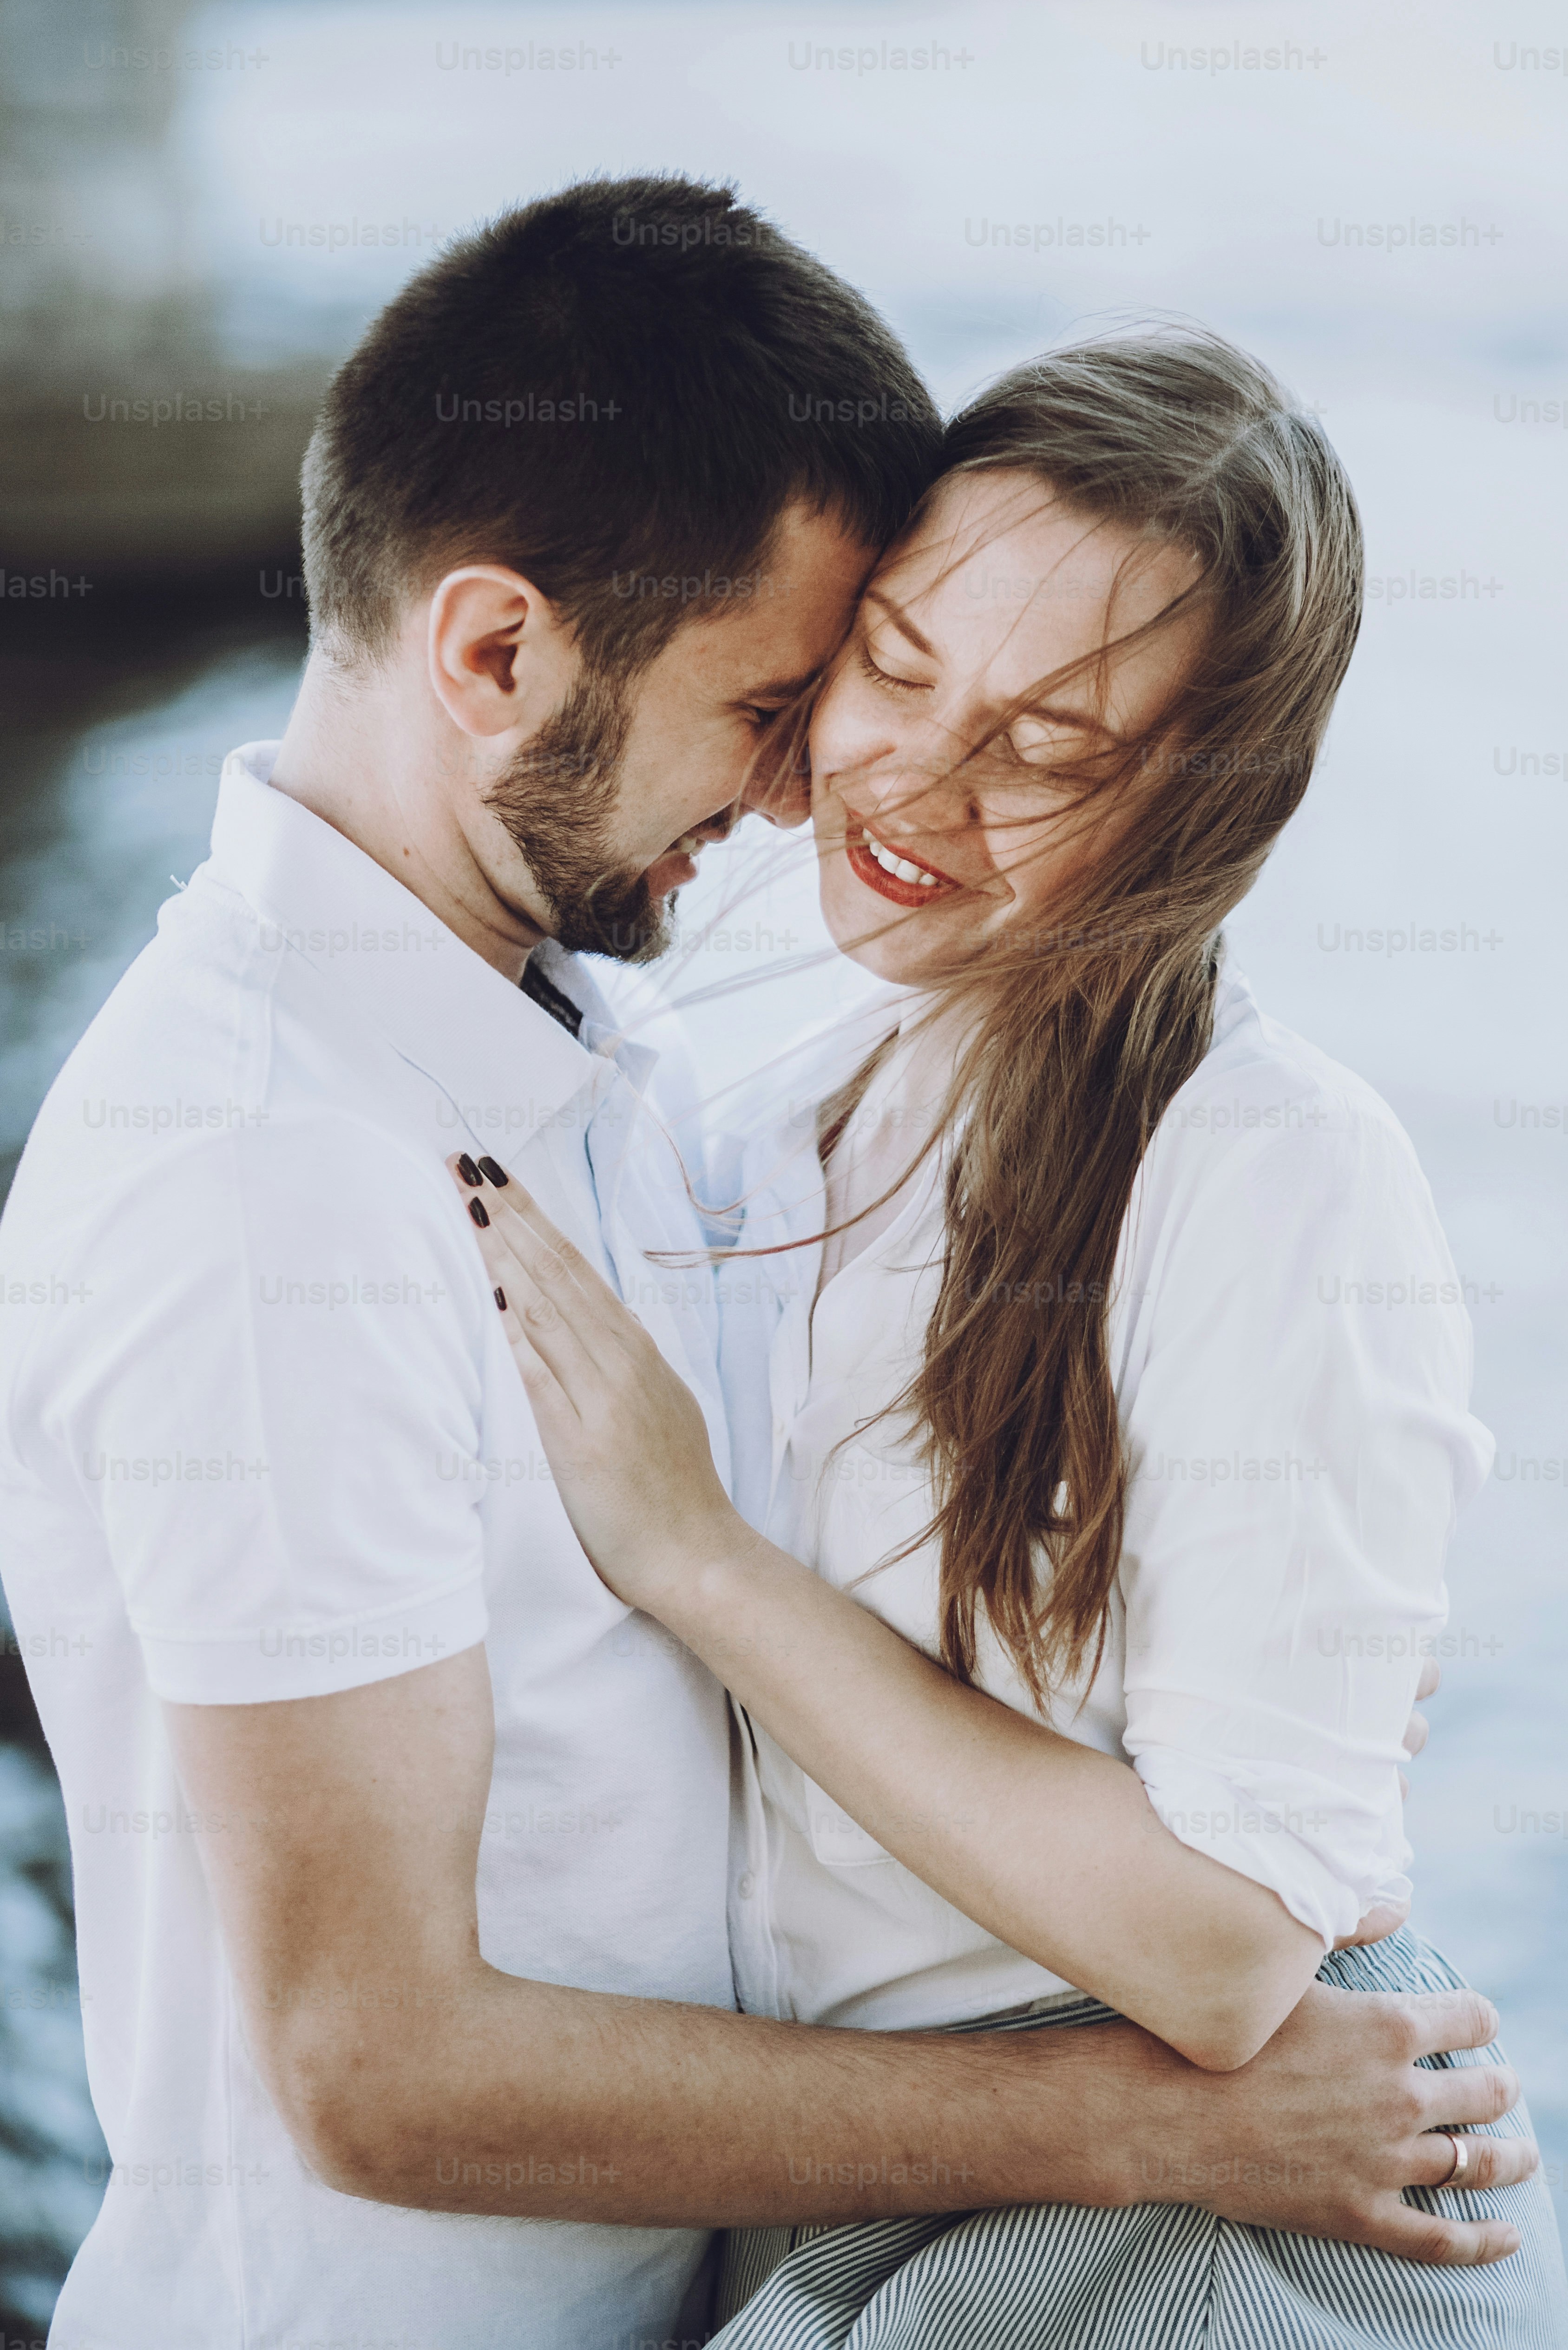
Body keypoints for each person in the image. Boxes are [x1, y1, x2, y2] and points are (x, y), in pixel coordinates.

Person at [0, 184, 1538, 2349]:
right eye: (813, 689)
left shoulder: (632, 1067)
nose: (832, 773)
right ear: (497, 654)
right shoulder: (268, 1178)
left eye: (1052, 742)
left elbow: (1205, 1846)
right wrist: (1147, 2122)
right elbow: (376, 2068)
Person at [448, 326, 1568, 2345]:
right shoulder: (774, 1095)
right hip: (897, 2181)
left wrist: (695, 1556)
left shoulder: (1269, 1168)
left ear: (1206, 805)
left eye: (1049, 752)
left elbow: (1229, 1956)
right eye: (893, 664)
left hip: (1178, 2213)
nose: (921, 784)